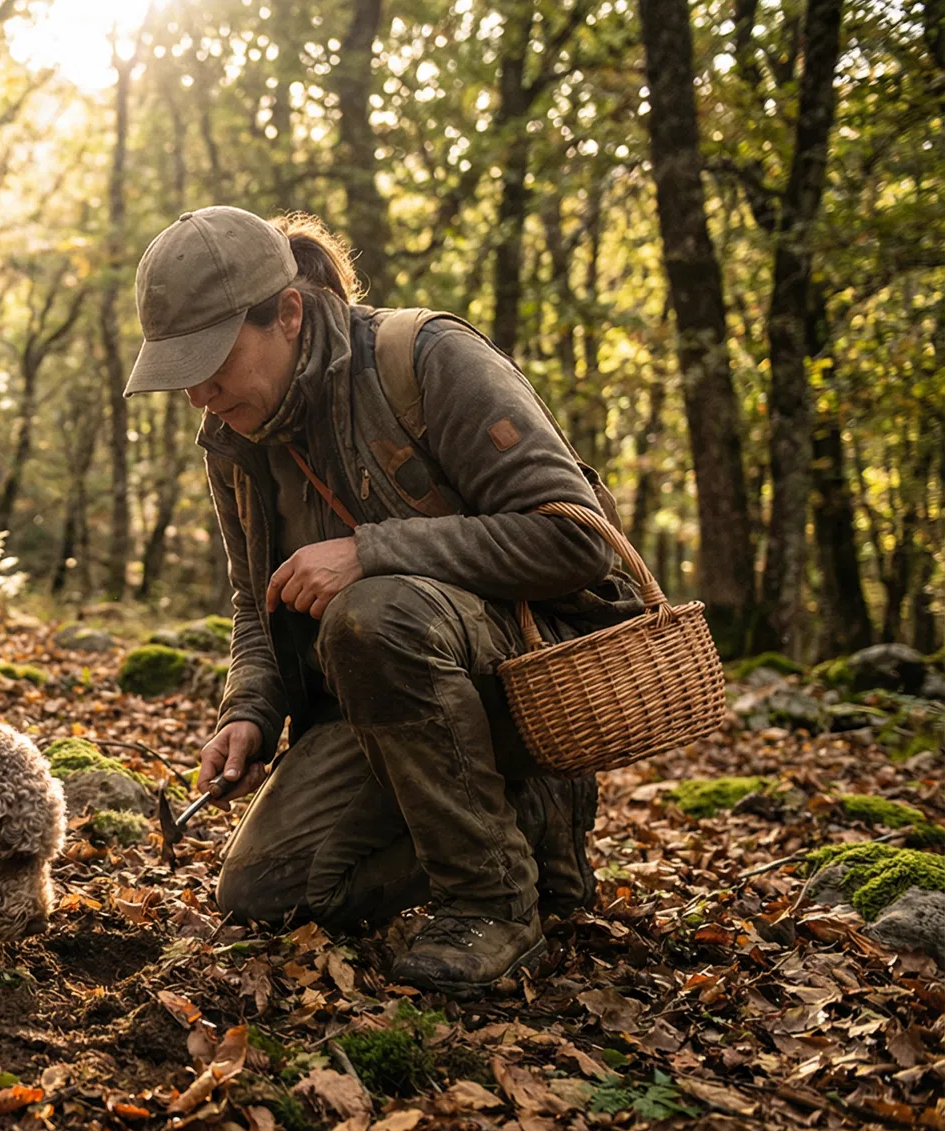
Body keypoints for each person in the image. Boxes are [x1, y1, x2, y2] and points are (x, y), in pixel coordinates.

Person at [125, 206, 640, 994]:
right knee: (263, 895)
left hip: (518, 674)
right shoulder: (234, 437)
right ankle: (526, 822)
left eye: (213, 359)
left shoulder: (427, 357)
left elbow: (577, 542)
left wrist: (372, 552)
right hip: (382, 708)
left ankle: (494, 900)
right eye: (181, 369)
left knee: (375, 615)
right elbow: (252, 603)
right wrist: (249, 712)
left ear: (288, 314)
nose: (198, 393)